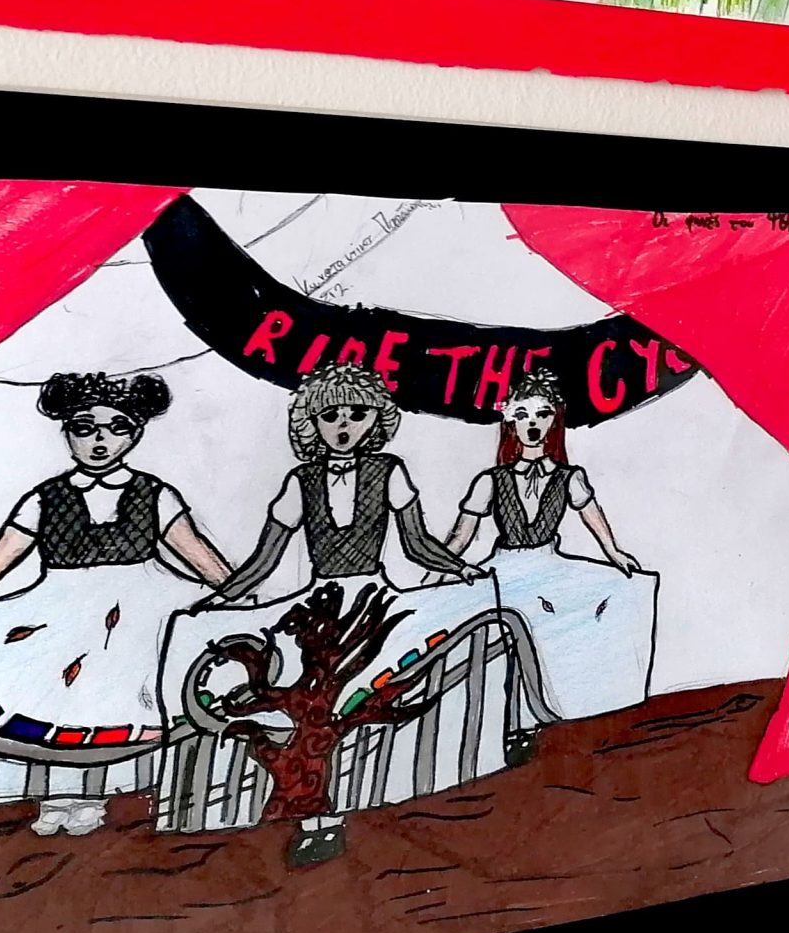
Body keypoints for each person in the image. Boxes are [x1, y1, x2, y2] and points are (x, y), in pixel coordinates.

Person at [0, 372, 235, 836]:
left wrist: (241, 595)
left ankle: (95, 796)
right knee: (54, 704)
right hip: (58, 612)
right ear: (66, 432)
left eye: (116, 428)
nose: (100, 441)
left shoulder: (155, 495)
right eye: (85, 428)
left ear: (136, 433)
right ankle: (57, 796)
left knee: (114, 702)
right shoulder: (44, 499)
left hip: (141, 612)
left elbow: (199, 555)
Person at [211, 362, 478, 865]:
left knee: (367, 705)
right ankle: (313, 818)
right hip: (319, 612)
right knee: (310, 719)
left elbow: (418, 544)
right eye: (330, 415)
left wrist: (460, 568)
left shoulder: (390, 471)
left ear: (375, 418)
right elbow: (265, 559)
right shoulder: (300, 480)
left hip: (376, 604)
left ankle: (354, 816)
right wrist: (222, 597)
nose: (343, 425)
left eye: (356, 414)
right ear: (311, 422)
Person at [448, 370, 650, 761]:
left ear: (554, 420)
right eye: (523, 415)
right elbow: (460, 537)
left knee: (612, 597)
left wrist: (614, 553)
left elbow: (593, 518)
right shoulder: (490, 480)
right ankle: (514, 726)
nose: (532, 424)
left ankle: (586, 709)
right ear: (510, 422)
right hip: (506, 571)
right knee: (511, 632)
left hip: (549, 566)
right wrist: (436, 568)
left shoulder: (570, 477)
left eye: (541, 414)